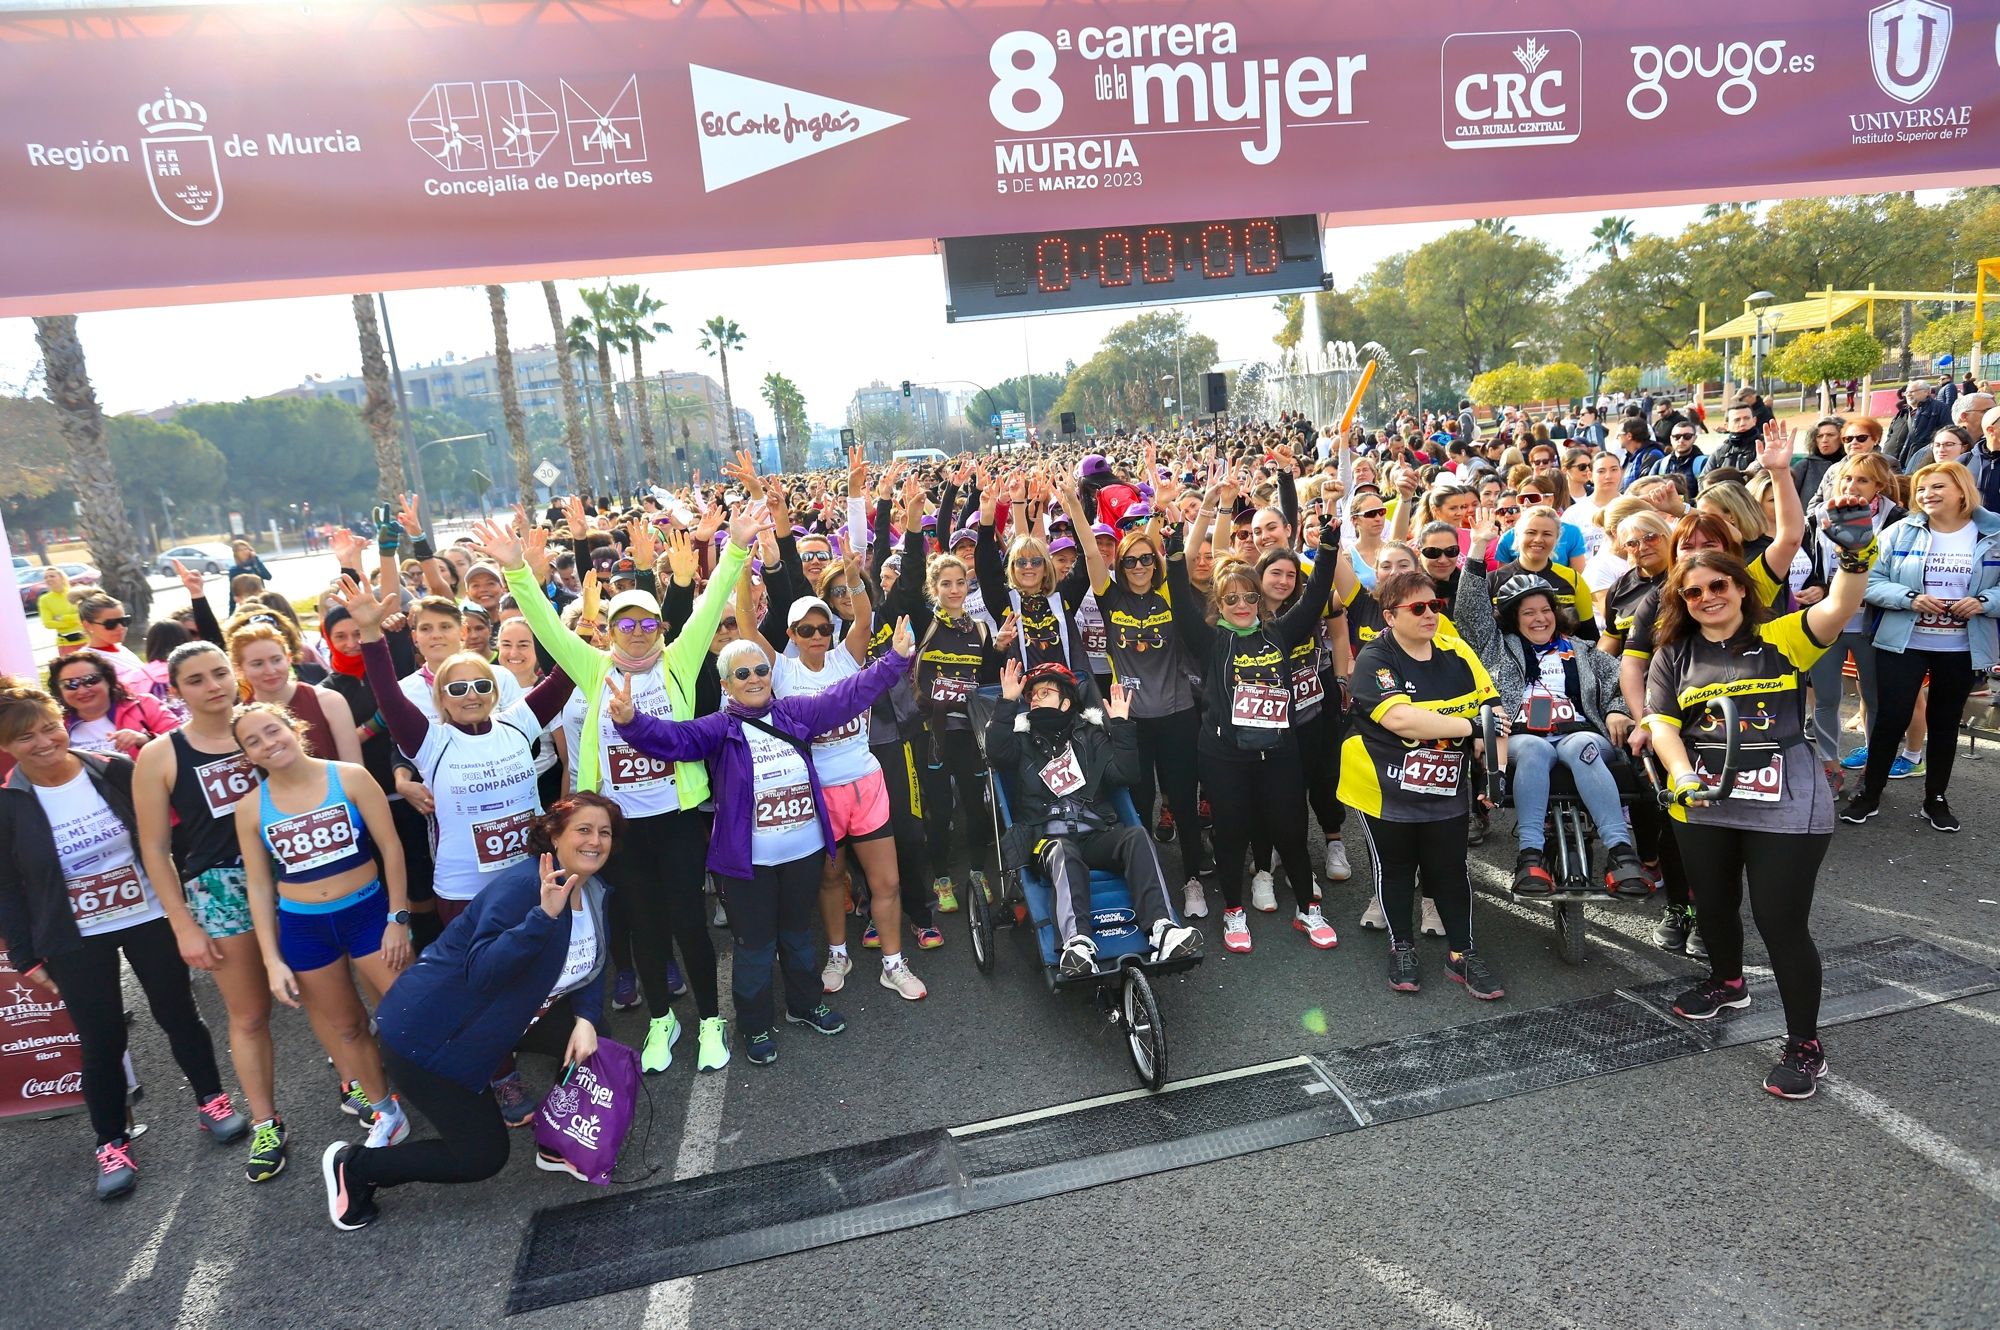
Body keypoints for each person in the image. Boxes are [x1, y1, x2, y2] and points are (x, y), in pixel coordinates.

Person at [499, 500, 762, 1074]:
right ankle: (662, 1022)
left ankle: (711, 1022)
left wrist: (737, 546)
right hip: (618, 827)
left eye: (647, 623)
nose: (638, 634)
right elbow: (545, 625)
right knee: (643, 925)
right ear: (610, 630)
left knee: (688, 921)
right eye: (626, 624)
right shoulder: (592, 668)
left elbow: (713, 597)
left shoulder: (680, 658)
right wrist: (518, 571)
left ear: (660, 629)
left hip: (676, 819)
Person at [1643, 502, 1876, 1099]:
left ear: (1742, 589)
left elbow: (1840, 606)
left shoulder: (1781, 638)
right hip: (1703, 799)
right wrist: (1680, 774)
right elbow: (1663, 724)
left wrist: (1854, 555)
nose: (1707, 597)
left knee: (1780, 923)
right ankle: (1727, 981)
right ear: (1681, 601)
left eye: (1718, 585)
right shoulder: (1674, 653)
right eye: (1693, 592)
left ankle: (1805, 1044)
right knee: (1714, 906)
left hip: (1785, 803)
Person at [605, 622, 915, 1066]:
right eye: (742, 673)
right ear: (727, 684)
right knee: (754, 945)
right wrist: (632, 722)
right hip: (749, 864)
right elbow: (673, 740)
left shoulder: (795, 713)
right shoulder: (718, 728)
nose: (754, 679)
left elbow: (848, 695)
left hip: (802, 855)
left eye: (760, 670)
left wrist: (894, 661)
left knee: (796, 936)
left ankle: (805, 1005)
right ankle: (753, 1025)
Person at [0, 680, 249, 1200]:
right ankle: (110, 1142)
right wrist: (24, 956)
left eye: (49, 727)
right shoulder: (9, 806)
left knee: (178, 1013)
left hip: (149, 914)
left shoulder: (113, 770)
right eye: (26, 739)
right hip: (74, 935)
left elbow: (166, 840)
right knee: (101, 1039)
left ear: (61, 720)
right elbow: (7, 887)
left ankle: (212, 1100)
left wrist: (188, 908)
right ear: (7, 747)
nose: (44, 743)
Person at [322, 796, 619, 1229]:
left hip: (501, 1020)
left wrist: (588, 1019)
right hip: (430, 1038)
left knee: (591, 1039)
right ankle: (358, 1168)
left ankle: (558, 1138)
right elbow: (482, 972)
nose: (595, 841)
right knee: (480, 1157)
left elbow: (591, 967)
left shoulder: (592, 889)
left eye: (605, 832)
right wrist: (542, 916)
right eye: (584, 830)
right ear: (554, 835)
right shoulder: (523, 888)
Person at [131, 642, 289, 1182]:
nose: (213, 685)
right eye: (196, 679)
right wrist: (182, 923)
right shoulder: (160, 755)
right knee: (248, 1014)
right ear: (176, 690)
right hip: (220, 888)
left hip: (291, 869)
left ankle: (354, 1085)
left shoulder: (263, 729)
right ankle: (267, 1122)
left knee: (323, 996)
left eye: (220, 672)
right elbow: (153, 848)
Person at [1165, 492, 1341, 954]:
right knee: (1231, 832)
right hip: (1224, 754)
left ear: (1260, 600)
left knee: (1290, 829)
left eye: (1249, 597)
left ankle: (1308, 907)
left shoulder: (1279, 631)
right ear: (1218, 604)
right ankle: (1234, 912)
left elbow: (1318, 592)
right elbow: (1180, 598)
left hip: (1278, 750)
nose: (1242, 604)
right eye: (1231, 598)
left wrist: (1328, 548)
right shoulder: (1208, 640)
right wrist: (1172, 554)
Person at [233, 700, 412, 1145]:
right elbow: (258, 886)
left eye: (272, 730)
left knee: (412, 1010)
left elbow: (391, 848)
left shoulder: (348, 777)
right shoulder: (251, 808)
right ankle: (385, 1110)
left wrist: (397, 917)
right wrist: (272, 960)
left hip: (369, 914)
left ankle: (453, 1090)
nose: (267, 743)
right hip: (305, 928)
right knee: (348, 1027)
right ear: (248, 757)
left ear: (293, 727)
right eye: (253, 741)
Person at [1339, 569, 1505, 999]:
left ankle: (1463, 954)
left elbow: (1494, 715)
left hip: (1446, 785)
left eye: (1435, 605)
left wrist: (1495, 772)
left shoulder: (1457, 650)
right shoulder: (1376, 658)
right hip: (1384, 785)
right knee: (1395, 868)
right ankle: (1402, 947)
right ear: (1390, 616)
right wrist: (1468, 726)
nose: (1430, 614)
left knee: (1449, 870)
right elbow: (1398, 718)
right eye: (1418, 608)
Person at [984, 660, 1202, 976]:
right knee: (1063, 851)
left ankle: (1162, 929)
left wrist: (1123, 727)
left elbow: (1125, 773)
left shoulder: (1090, 735)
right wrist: (1006, 703)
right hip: (1044, 840)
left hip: (1095, 832)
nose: (1035, 698)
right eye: (1032, 695)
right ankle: (1077, 944)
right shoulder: (1021, 738)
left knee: (1136, 835)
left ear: (1067, 701)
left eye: (1045, 692)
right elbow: (996, 754)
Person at [1454, 558, 1649, 896]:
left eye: (1544, 610)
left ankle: (1620, 852)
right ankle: (1530, 854)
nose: (1539, 618)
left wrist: (1618, 710)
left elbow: (1620, 683)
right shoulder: (1497, 649)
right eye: (1528, 612)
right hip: (1521, 736)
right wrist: (1478, 553)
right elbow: (1470, 614)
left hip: (1579, 732)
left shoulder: (1584, 650)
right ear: (1515, 618)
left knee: (1579, 747)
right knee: (1534, 748)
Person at [1841, 462, 2000, 831]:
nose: (1928, 494)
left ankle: (1936, 799)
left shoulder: (1992, 532)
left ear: (1962, 490)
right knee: (1890, 720)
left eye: (1938, 486)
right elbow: (1869, 581)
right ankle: (1870, 793)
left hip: (1962, 647)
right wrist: (1909, 598)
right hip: (1903, 643)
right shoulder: (1900, 531)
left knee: (1944, 724)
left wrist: (1984, 601)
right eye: (1923, 488)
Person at [227, 620, 363, 766]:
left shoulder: (329, 701)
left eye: (276, 660)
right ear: (239, 669)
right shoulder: (236, 718)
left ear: (289, 658)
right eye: (257, 664)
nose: (270, 670)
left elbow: (355, 767)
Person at [48, 649, 179, 758]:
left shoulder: (145, 705)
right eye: (70, 684)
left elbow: (184, 743)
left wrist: (145, 740)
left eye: (91, 680)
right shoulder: (56, 726)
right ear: (59, 691)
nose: (82, 690)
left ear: (108, 680)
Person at [73, 593, 156, 698]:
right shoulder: (85, 661)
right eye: (110, 624)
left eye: (124, 621)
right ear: (88, 625)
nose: (120, 627)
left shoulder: (121, 649)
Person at [36, 564, 84, 656]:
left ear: (61, 578)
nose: (48, 579)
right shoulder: (44, 599)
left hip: (86, 639)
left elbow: (83, 615)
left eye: (52, 576)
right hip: (65, 643)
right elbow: (48, 623)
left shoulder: (75, 593)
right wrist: (74, 620)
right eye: (46, 577)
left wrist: (62, 618)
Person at [226, 541, 273, 613]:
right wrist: (231, 613)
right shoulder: (234, 570)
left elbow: (268, 577)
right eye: (240, 550)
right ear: (236, 553)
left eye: (246, 549)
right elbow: (233, 592)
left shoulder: (255, 566)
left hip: (261, 600)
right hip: (246, 604)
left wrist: (256, 560)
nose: (244, 552)